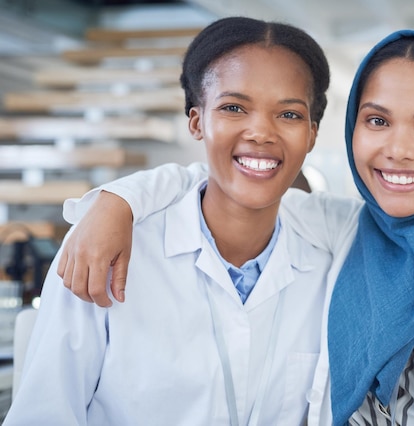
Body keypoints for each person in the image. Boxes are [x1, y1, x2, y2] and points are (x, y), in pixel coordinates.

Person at [49, 30, 414, 425]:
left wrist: (114, 199)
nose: (398, 149)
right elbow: (221, 182)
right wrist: (115, 201)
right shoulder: (344, 229)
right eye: (376, 120)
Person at [5, 16, 368, 425]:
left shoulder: (334, 257)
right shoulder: (103, 250)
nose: (261, 132)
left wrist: (121, 197)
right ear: (197, 121)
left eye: (288, 115)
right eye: (234, 107)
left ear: (312, 134)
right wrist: (116, 202)